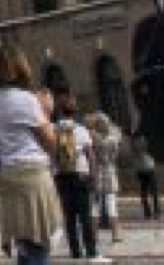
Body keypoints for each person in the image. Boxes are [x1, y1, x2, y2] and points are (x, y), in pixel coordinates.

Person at [0, 47, 58, 265]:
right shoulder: (27, 100)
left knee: (25, 247)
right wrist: (46, 111)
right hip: (32, 175)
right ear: (20, 67)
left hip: (8, 175)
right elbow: (51, 143)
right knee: (39, 246)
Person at [50, 95, 100, 261]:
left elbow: (50, 155)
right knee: (85, 216)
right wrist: (94, 176)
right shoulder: (81, 130)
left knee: (69, 217)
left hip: (62, 176)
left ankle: (75, 251)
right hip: (81, 175)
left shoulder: (53, 130)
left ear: (60, 111)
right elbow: (90, 155)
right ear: (74, 111)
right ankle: (91, 250)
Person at [88, 112, 125, 248]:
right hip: (109, 171)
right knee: (111, 204)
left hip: (96, 172)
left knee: (95, 205)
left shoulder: (92, 137)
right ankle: (116, 234)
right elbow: (116, 155)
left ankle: (94, 234)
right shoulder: (113, 138)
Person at [128, 135, 159, 221]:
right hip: (149, 167)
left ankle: (147, 211)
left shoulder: (134, 141)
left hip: (139, 168)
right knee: (154, 191)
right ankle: (157, 211)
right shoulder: (147, 140)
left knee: (144, 190)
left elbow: (133, 153)